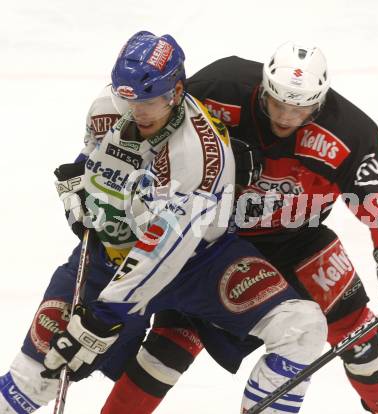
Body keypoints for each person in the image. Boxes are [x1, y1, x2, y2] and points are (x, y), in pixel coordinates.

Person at [0, 32, 328, 414]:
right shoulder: (107, 108)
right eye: (130, 99)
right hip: (110, 254)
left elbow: (163, 250)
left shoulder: (199, 155)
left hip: (199, 264)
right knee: (33, 380)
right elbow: (92, 156)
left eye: (150, 101)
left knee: (301, 327)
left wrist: (103, 318)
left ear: (175, 91)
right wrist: (80, 193)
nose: (138, 111)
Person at [102, 42, 378, 414]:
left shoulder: (349, 132)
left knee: (361, 334)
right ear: (263, 86)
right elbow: (156, 121)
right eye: (278, 103)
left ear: (321, 100)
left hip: (299, 239)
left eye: (301, 107)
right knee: (171, 341)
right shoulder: (220, 86)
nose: (287, 117)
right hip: (218, 240)